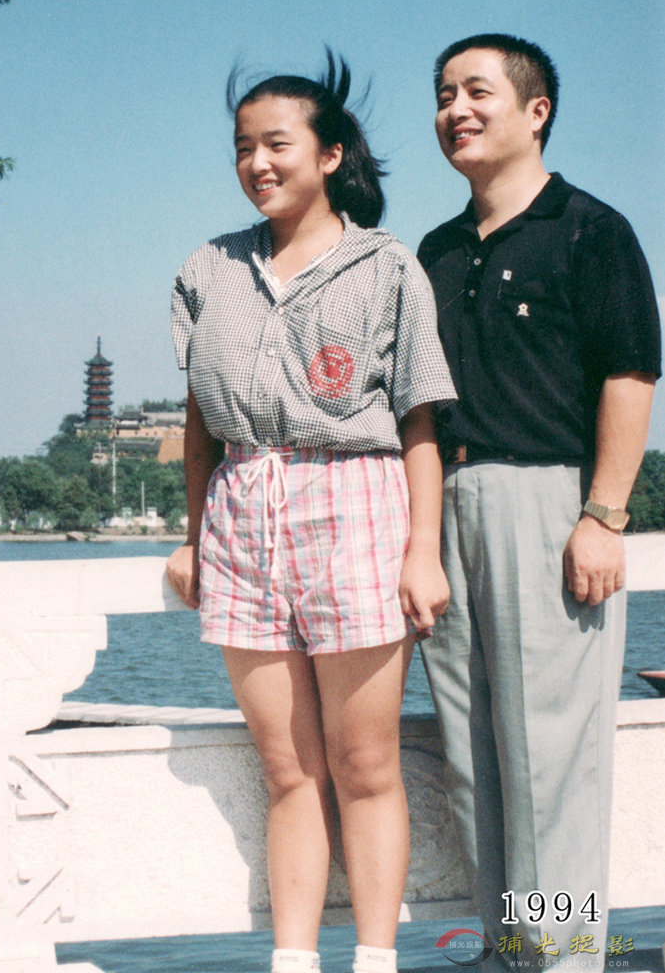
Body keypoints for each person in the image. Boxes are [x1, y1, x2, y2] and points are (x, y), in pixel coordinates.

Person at [165, 52, 457, 973]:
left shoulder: (388, 266)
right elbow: (200, 425)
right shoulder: (208, 269)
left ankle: (381, 959)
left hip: (359, 506)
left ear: (330, 155)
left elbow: (418, 420)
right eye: (241, 147)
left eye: (276, 144)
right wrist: (192, 537)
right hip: (242, 515)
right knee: (288, 771)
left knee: (368, 765)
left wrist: (422, 550)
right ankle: (292, 962)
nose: (255, 162)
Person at [417, 33, 661, 971]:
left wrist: (602, 516)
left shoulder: (590, 229)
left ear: (535, 110)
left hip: (547, 506)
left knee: (550, 764)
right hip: (446, 508)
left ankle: (561, 960)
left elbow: (629, 375)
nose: (455, 110)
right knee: (471, 758)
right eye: (443, 94)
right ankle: (506, 953)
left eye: (475, 91)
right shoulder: (436, 251)